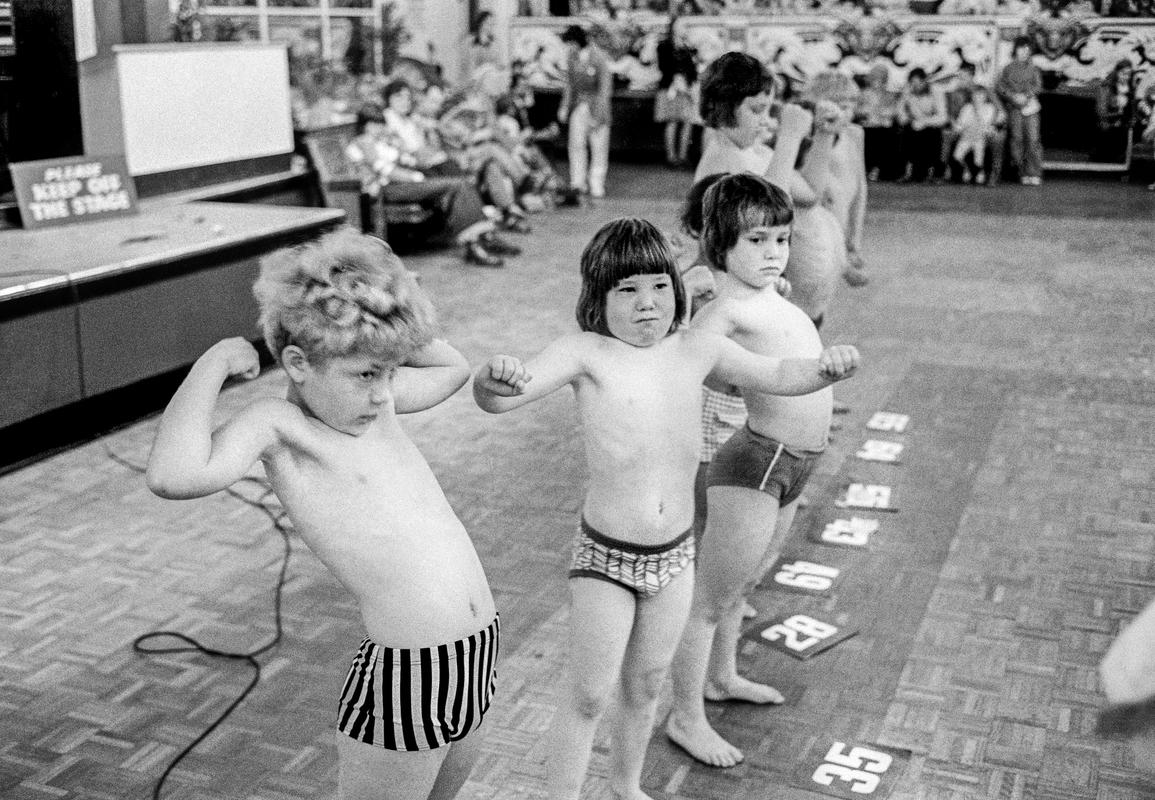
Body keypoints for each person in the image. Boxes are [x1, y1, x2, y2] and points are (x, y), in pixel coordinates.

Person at [472, 218, 859, 799]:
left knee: (648, 684)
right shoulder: (585, 353)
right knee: (587, 694)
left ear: (676, 289)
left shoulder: (695, 347)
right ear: (597, 299)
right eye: (626, 290)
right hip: (605, 556)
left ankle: (626, 787)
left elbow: (776, 373)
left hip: (674, 557)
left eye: (658, 285)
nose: (646, 303)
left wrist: (825, 368)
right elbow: (503, 401)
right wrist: (490, 379)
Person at [145, 230, 499, 800]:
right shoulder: (281, 429)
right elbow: (173, 476)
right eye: (366, 375)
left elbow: (452, 368)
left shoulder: (372, 405)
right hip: (410, 676)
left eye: (389, 371)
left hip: (476, 656)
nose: (385, 392)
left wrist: (388, 300)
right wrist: (210, 366)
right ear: (297, 363)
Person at [666, 173, 860, 769]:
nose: (774, 254)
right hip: (755, 462)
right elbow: (689, 359)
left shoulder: (773, 296)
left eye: (781, 240)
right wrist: (683, 295)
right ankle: (684, 716)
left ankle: (722, 677)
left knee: (743, 586)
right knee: (708, 597)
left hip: (798, 463)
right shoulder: (724, 311)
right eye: (757, 242)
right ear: (721, 242)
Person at [695, 51, 845, 331]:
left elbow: (810, 193)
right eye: (755, 110)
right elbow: (766, 214)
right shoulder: (721, 158)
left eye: (767, 109)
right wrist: (788, 139)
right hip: (749, 309)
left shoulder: (756, 151)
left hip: (798, 302)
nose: (765, 120)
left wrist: (824, 136)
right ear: (723, 107)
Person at [345, 103, 514, 267]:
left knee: (460, 183)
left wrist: (403, 151)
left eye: (381, 123)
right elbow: (384, 169)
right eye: (375, 124)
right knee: (456, 185)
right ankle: (475, 244)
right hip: (387, 189)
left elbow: (405, 159)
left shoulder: (380, 141)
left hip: (400, 184)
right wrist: (413, 176)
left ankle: (484, 237)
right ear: (366, 125)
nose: (380, 127)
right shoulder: (364, 142)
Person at [804, 70, 870, 287]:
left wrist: (855, 238)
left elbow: (860, 186)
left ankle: (842, 260)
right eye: (841, 107)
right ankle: (840, 264)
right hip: (821, 223)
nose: (848, 114)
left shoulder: (854, 133)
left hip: (843, 215)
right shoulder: (811, 138)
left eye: (851, 106)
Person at [558, 24, 613, 198]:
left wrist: (598, 115)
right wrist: (564, 107)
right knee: (576, 145)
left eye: (571, 43)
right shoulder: (571, 57)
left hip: (597, 107)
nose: (569, 47)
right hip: (579, 107)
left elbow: (605, 90)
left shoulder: (599, 57)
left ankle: (596, 182)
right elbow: (569, 85)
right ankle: (577, 182)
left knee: (598, 147)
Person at [942, 64, 1005, 185]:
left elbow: (1001, 113)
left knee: (997, 138)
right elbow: (952, 116)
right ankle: (946, 171)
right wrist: (956, 125)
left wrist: (993, 125)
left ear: (971, 76)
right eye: (959, 77)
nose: (960, 80)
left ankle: (993, 174)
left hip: (985, 128)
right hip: (964, 128)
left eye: (963, 77)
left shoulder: (984, 90)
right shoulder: (956, 93)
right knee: (947, 135)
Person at [996, 37, 1044, 186]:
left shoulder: (1034, 69)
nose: (1025, 52)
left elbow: (1038, 86)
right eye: (1022, 48)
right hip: (1014, 109)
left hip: (1031, 109)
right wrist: (1012, 97)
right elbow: (1000, 87)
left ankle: (1034, 172)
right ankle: (1021, 172)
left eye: (1028, 49)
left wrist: (1026, 96)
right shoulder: (1007, 68)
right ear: (1015, 49)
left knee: (1033, 139)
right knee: (1017, 140)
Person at [654, 17, 701, 167]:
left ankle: (683, 155)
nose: (684, 29)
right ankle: (671, 157)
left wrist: (691, 85)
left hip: (686, 88)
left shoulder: (687, 48)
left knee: (687, 121)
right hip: (671, 88)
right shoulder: (664, 46)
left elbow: (693, 70)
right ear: (673, 27)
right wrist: (676, 79)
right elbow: (663, 67)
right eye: (681, 25)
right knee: (672, 121)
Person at [896, 67, 948, 184]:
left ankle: (931, 172)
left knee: (931, 135)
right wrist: (906, 119)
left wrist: (924, 122)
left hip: (931, 126)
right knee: (905, 133)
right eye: (912, 83)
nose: (915, 86)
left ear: (924, 81)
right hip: (913, 125)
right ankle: (908, 172)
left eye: (917, 83)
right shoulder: (908, 91)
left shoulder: (936, 91)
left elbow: (942, 117)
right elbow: (900, 111)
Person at [857, 62, 901, 182]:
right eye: (876, 77)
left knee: (888, 136)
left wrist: (885, 114)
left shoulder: (890, 95)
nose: (878, 81)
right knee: (869, 136)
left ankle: (881, 170)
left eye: (881, 78)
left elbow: (894, 111)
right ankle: (868, 168)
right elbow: (857, 110)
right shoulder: (862, 94)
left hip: (884, 126)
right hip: (868, 125)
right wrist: (865, 112)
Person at [951, 84, 1003, 184]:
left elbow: (987, 123)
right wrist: (957, 128)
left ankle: (980, 173)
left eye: (980, 95)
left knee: (978, 157)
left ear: (985, 96)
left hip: (980, 137)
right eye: (975, 95)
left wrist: (978, 112)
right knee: (957, 157)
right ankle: (967, 170)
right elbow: (961, 123)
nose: (977, 98)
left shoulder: (989, 108)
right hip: (966, 137)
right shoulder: (967, 108)